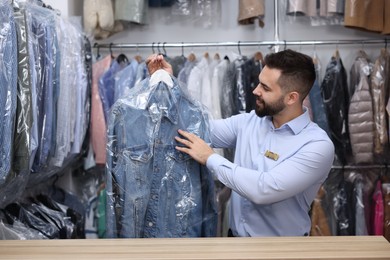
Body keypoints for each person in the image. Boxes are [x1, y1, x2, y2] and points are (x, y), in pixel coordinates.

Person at [146, 49, 335, 237]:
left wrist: (210, 158)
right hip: (235, 242)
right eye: (259, 83)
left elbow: (265, 189)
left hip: (282, 250)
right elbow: (192, 128)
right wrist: (167, 85)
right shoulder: (249, 122)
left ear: (292, 97)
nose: (255, 91)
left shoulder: (316, 146)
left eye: (265, 88)